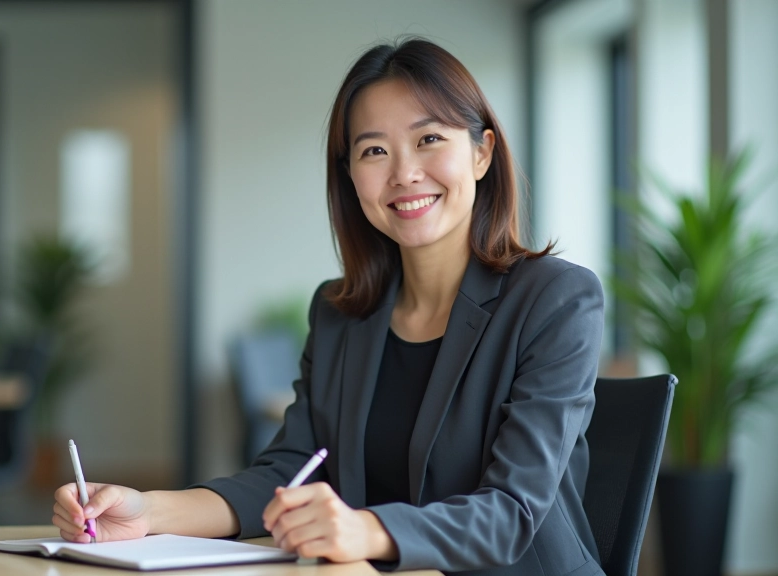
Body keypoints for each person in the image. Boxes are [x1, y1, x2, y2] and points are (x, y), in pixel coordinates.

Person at [53, 38, 606, 575]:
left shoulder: (555, 300)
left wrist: (365, 530)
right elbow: (290, 471)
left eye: (429, 139)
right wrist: (150, 511)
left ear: (482, 152)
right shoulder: (341, 314)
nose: (404, 173)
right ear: (350, 175)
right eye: (374, 151)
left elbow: (513, 511)